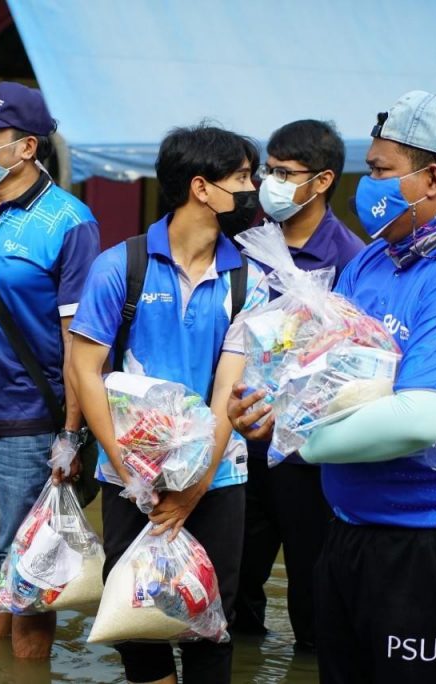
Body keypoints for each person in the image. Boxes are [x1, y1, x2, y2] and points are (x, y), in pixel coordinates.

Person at [231, 91, 436, 684]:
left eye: (379, 171)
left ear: (434, 178)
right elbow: (328, 369)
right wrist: (272, 403)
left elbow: (420, 418)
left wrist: (299, 438)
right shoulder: (377, 259)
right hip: (353, 525)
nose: (365, 185)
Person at [70, 124, 269, 684]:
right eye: (243, 178)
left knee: (211, 619)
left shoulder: (247, 278)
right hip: (128, 473)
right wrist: (128, 468)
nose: (253, 189)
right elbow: (86, 372)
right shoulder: (120, 267)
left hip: (218, 477)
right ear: (202, 188)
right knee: (136, 618)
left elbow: (229, 389)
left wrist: (196, 485)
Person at [0, 81, 100, 659]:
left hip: (32, 428)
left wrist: (71, 435)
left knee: (30, 576)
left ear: (27, 147)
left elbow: (78, 339)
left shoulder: (69, 221)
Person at [233, 119, 365, 650]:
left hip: (307, 453)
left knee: (314, 589)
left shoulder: (351, 259)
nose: (271, 182)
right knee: (233, 582)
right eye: (269, 170)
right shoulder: (246, 242)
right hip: (238, 438)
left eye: (286, 173)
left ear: (323, 180)